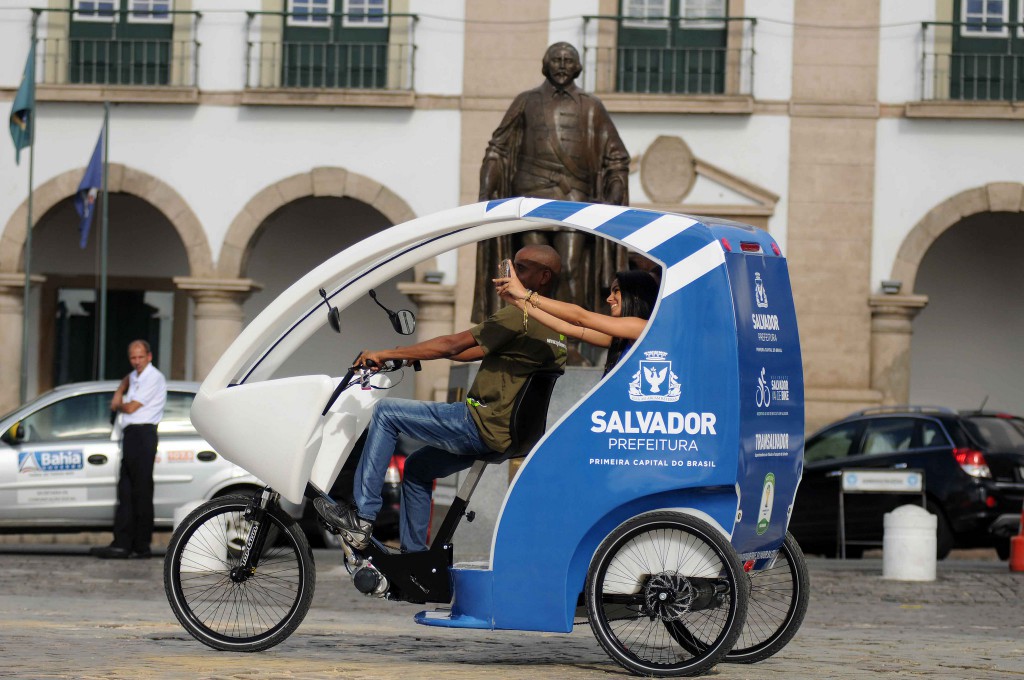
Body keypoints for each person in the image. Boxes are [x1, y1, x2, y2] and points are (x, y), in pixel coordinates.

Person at [315, 245, 566, 552]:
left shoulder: (520, 314)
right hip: (505, 437)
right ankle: (415, 560)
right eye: (513, 266)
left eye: (522, 268)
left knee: (386, 412)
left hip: (479, 422)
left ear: (544, 277)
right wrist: (405, 357)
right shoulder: (553, 323)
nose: (512, 274)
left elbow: (451, 344)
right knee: (418, 468)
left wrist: (385, 353)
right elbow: (468, 351)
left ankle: (361, 516)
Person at [474, 41, 631, 323]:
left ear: (578, 67)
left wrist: (614, 194)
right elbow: (497, 148)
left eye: (568, 60)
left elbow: (617, 157)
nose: (561, 65)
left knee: (570, 268)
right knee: (531, 269)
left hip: (574, 200)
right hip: (531, 197)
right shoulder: (526, 101)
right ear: (545, 65)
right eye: (556, 59)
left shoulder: (591, 106)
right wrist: (487, 190)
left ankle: (569, 337)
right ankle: (529, 328)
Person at [496, 266, 658, 375]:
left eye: (616, 291)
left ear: (636, 295)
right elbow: (565, 327)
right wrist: (518, 302)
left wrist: (526, 293)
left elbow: (580, 317)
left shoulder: (641, 328)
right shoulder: (620, 339)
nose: (609, 299)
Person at [91, 340, 167, 559]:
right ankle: (123, 542)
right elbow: (127, 379)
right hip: (131, 435)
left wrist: (117, 404)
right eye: (133, 357)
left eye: (140, 357)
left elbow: (133, 406)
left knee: (141, 491)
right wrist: (120, 389)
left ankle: (141, 545)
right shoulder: (135, 376)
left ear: (149, 356)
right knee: (126, 491)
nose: (137, 362)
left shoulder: (154, 377)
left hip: (143, 434)